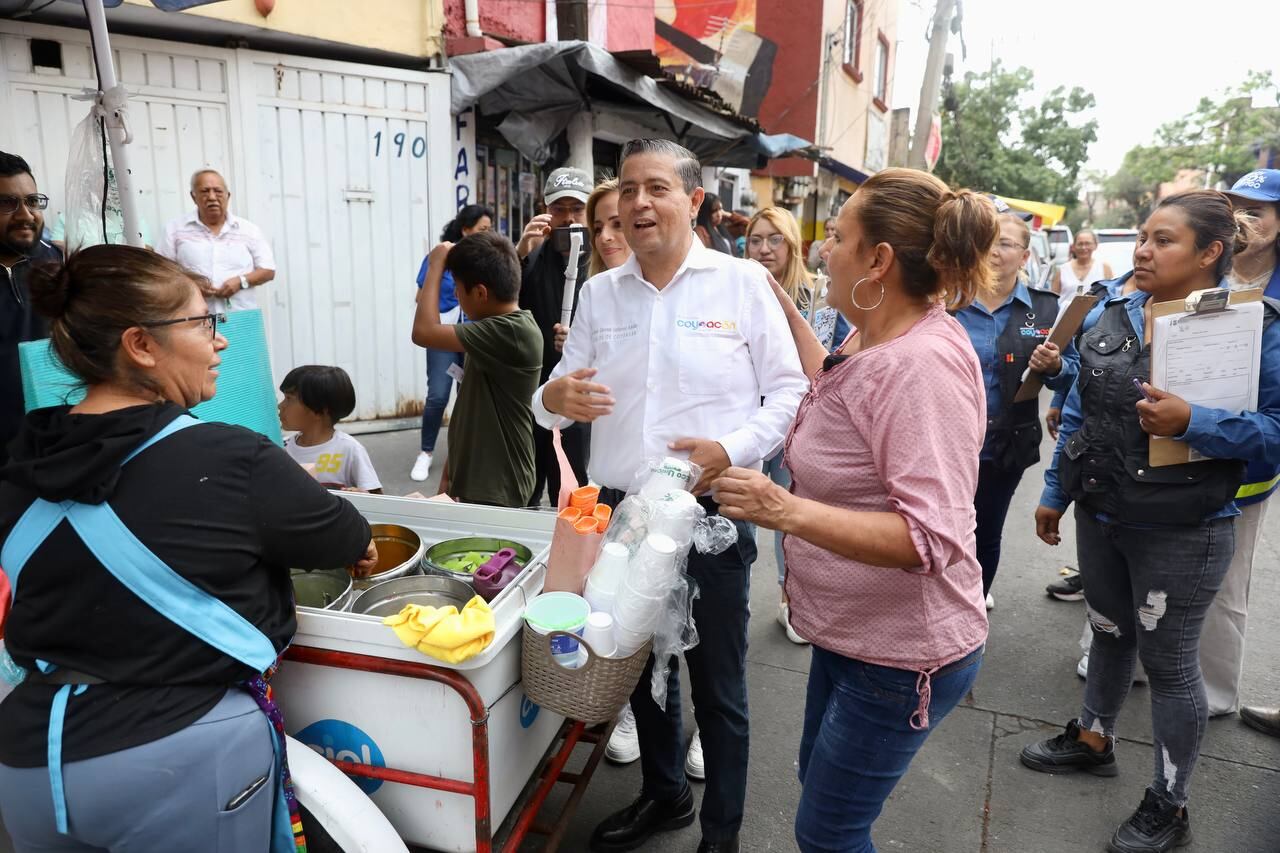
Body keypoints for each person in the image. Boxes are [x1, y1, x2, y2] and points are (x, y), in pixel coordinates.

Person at [0, 245, 377, 851]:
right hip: (177, 764)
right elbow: (346, 535)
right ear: (141, 345)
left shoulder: (22, 468)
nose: (220, 340)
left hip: (28, 764)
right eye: (204, 322)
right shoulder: (230, 458)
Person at [535, 139, 806, 853]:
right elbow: (558, 401)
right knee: (632, 661)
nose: (638, 202)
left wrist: (733, 451)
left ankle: (722, 833)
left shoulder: (741, 283)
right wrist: (551, 395)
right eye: (628, 188)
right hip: (624, 512)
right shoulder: (600, 293)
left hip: (710, 511)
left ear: (693, 201)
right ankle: (664, 795)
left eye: (656, 187)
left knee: (717, 683)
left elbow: (789, 390)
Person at [710, 168, 991, 853]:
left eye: (837, 237)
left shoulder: (918, 368)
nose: (823, 249)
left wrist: (784, 508)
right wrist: (774, 299)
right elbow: (833, 380)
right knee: (821, 788)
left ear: (879, 260)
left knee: (829, 830)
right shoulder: (876, 335)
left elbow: (932, 536)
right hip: (854, 632)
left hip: (901, 655)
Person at [1021, 190, 1280, 853]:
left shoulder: (1258, 328)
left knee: (1169, 666)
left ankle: (1171, 802)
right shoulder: (1113, 310)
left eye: (1163, 239)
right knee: (1108, 631)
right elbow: (1080, 407)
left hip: (1184, 526)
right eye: (1141, 235)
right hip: (1103, 512)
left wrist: (1195, 421)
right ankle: (1092, 737)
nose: (1142, 249)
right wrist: (1055, 489)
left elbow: (1274, 432)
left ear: (1210, 252)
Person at [954, 212, 1070, 610]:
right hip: (945, 443)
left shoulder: (1045, 311)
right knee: (938, 529)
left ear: (1023, 256)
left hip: (1004, 446)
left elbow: (1069, 378)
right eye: (987, 241)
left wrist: (1055, 367)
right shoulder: (947, 303)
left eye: (1005, 243)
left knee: (985, 532)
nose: (994, 251)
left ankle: (969, 611)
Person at [743, 206, 847, 646]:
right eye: (755, 239)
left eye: (775, 239)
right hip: (745, 422)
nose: (765, 249)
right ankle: (736, 599)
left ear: (792, 245)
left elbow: (825, 363)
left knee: (790, 516)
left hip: (798, 423)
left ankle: (791, 600)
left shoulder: (818, 294)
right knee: (741, 511)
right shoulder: (734, 288)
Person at [1209, 169, 1280, 725]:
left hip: (1248, 463)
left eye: (1258, 211)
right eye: (1235, 206)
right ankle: (1126, 663)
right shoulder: (1200, 266)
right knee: (1148, 566)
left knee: (1227, 582)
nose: (1245, 219)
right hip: (1171, 449)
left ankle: (1211, 691)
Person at [412, 232, 541, 508]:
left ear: (480, 293)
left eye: (457, 289)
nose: (456, 296)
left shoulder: (511, 331)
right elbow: (472, 407)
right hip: (478, 480)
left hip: (498, 485)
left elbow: (423, 332)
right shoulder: (490, 326)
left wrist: (435, 266)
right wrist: (449, 473)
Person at [517, 168, 592, 506]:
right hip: (533, 391)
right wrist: (518, 254)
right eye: (559, 208)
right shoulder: (531, 256)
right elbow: (503, 308)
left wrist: (580, 340)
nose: (567, 218)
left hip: (581, 395)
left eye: (576, 209)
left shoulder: (604, 260)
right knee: (529, 484)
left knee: (574, 492)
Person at [410, 205, 494, 482]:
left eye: (489, 230)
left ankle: (463, 454)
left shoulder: (486, 260)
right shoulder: (441, 257)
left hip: (474, 336)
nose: (487, 234)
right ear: (465, 229)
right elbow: (421, 296)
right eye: (483, 229)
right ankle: (426, 452)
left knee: (469, 396)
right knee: (438, 394)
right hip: (443, 335)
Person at [0, 152, 61, 469]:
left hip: (52, 436)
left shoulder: (57, 265)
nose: (26, 214)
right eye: (7, 204)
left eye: (32, 201)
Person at [156, 169, 275, 314]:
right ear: (193, 196)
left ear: (227, 195)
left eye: (218, 191)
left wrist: (241, 281)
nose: (212, 197)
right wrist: (190, 285)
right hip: (194, 318)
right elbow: (161, 272)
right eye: (205, 191)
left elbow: (268, 270)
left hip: (241, 316)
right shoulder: (174, 229)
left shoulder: (249, 230)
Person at [278, 365, 382, 493]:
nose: (280, 405)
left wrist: (362, 495)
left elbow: (378, 499)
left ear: (319, 410)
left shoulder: (349, 449)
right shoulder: (282, 448)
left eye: (289, 399)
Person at [1051, 229, 1114, 312]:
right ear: (1073, 247)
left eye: (1087, 243)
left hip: (1094, 321)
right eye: (1080, 244)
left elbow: (1111, 296)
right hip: (1065, 320)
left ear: (1095, 245)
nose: (1084, 247)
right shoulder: (1062, 270)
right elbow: (1052, 301)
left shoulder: (1104, 268)